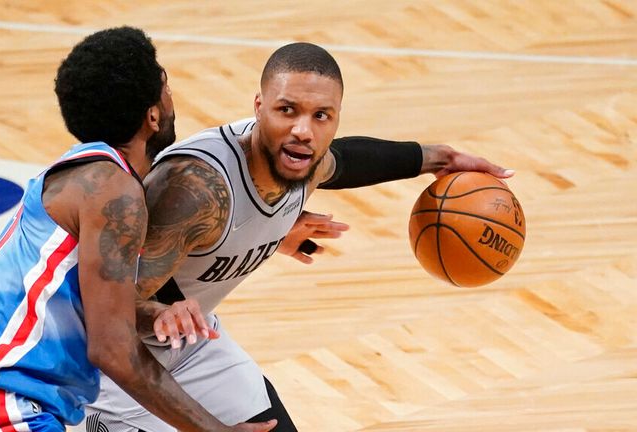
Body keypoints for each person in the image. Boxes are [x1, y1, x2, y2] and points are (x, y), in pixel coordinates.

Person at [78, 42, 513, 431]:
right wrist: (161, 315)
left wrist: (440, 157)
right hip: (115, 369)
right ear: (259, 107)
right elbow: (105, 308)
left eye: (321, 116)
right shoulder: (195, 187)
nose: (304, 130)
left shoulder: (304, 163)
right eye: (288, 110)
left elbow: (347, 161)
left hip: (190, 346)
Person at [0, 26, 277, 432]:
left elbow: (80, 305)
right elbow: (112, 349)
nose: (171, 96)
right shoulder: (113, 190)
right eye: (165, 84)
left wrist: (155, 315)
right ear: (152, 115)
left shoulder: (84, 175)